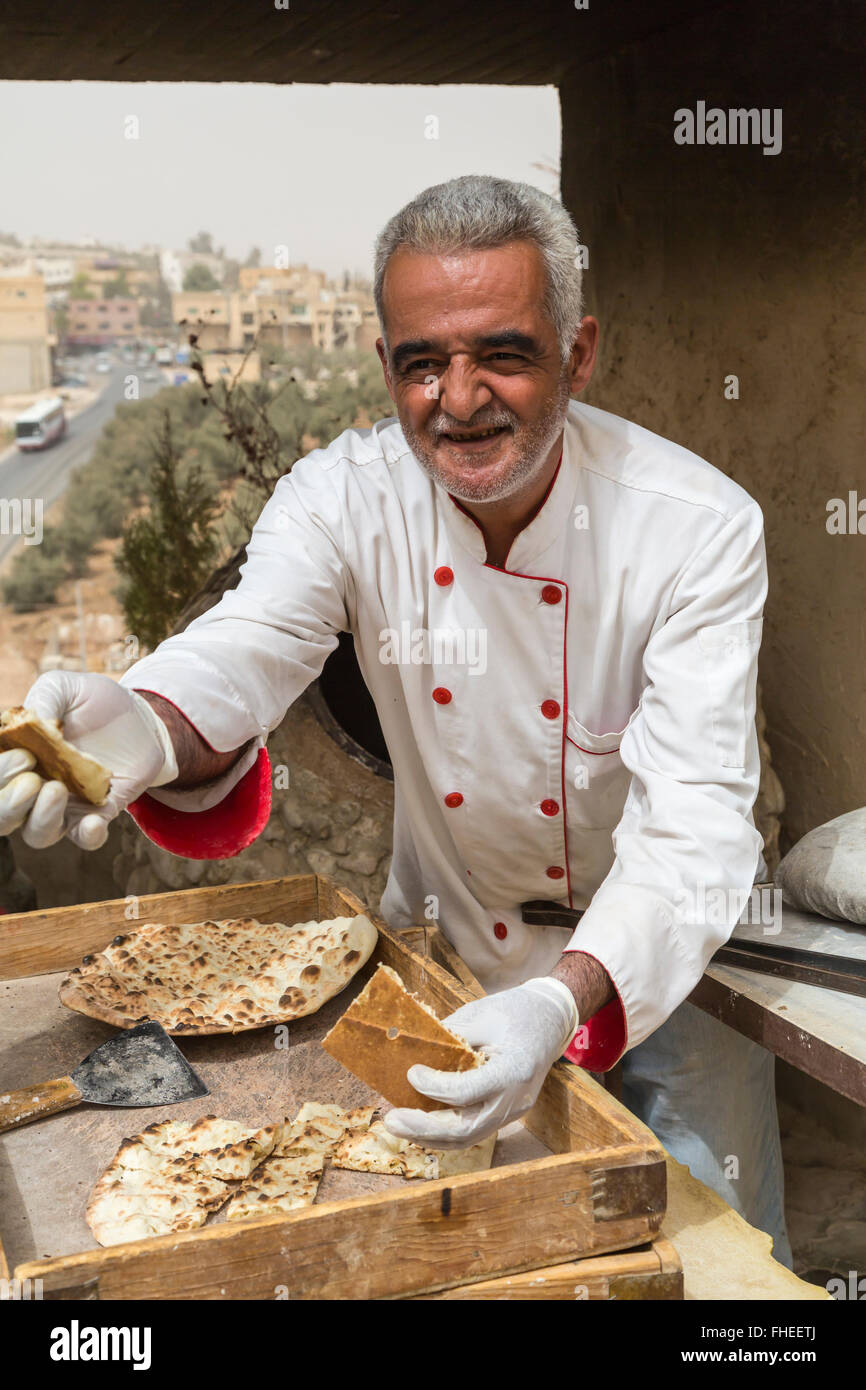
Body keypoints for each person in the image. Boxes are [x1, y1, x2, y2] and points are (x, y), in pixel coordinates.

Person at [0, 175, 791, 1266]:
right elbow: (255, 639)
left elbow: (698, 816)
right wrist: (145, 720)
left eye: (501, 353)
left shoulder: (693, 529)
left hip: (664, 970)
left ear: (578, 352)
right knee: (462, 1257)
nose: (457, 398)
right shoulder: (341, 498)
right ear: (385, 367)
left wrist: (557, 1006)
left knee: (715, 1273)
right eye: (422, 361)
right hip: (448, 963)